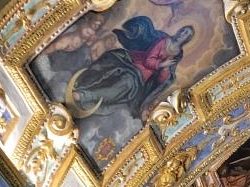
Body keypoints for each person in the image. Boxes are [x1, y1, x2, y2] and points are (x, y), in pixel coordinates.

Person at [64, 16, 194, 119]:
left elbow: (161, 79)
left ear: (187, 39)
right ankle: (83, 91)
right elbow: (148, 60)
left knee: (124, 85)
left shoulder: (178, 54)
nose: (182, 34)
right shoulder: (164, 41)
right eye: (183, 30)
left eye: (186, 34)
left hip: (140, 78)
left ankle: (85, 97)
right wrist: (161, 65)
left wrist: (165, 70)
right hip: (132, 63)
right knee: (109, 71)